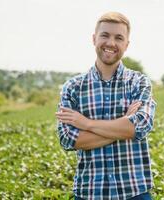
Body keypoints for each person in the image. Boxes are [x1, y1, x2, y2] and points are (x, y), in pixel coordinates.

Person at [55, 12, 156, 200]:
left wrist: (86, 124)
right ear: (94, 39)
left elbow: (140, 126)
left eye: (119, 38)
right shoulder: (73, 87)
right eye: (105, 35)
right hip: (89, 192)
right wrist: (123, 126)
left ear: (126, 44)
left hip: (134, 192)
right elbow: (68, 139)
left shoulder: (139, 82)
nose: (111, 43)